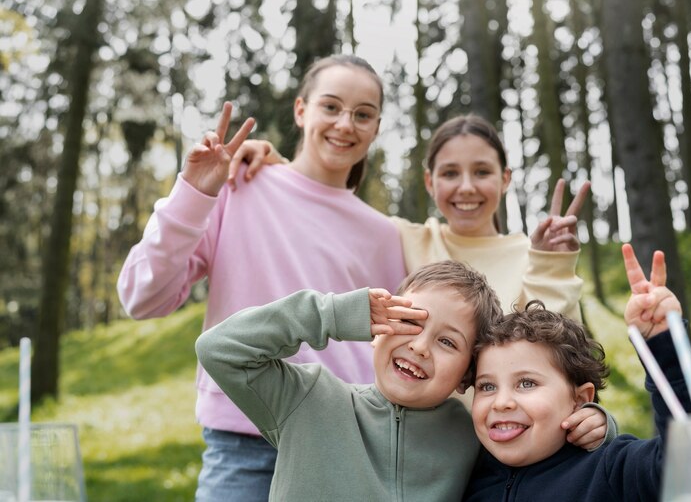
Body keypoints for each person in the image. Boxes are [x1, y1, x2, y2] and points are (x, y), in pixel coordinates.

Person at [117, 55, 408, 501]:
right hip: (243, 445)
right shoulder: (236, 187)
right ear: (300, 110)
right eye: (331, 107)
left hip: (347, 446)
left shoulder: (384, 235)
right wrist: (193, 193)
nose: (345, 124)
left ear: (375, 126)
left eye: (363, 114)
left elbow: (392, 347)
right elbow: (141, 297)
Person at [195, 260, 614, 501]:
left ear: (467, 376)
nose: (419, 347)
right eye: (408, 323)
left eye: (447, 342)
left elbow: (540, 454)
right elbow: (221, 349)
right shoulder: (306, 399)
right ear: (379, 323)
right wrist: (337, 315)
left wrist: (597, 425)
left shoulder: (469, 432)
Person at [235, 115, 589, 322]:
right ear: (429, 182)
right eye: (450, 174)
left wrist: (551, 264)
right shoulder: (405, 239)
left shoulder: (531, 255)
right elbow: (333, 212)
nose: (466, 187)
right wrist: (278, 166)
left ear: (505, 179)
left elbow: (560, 348)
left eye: (482, 172)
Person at [462, 244, 691, 501]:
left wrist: (663, 346)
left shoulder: (610, 469)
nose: (501, 402)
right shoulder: (466, 477)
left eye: (527, 383)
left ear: (581, 399)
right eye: (487, 386)